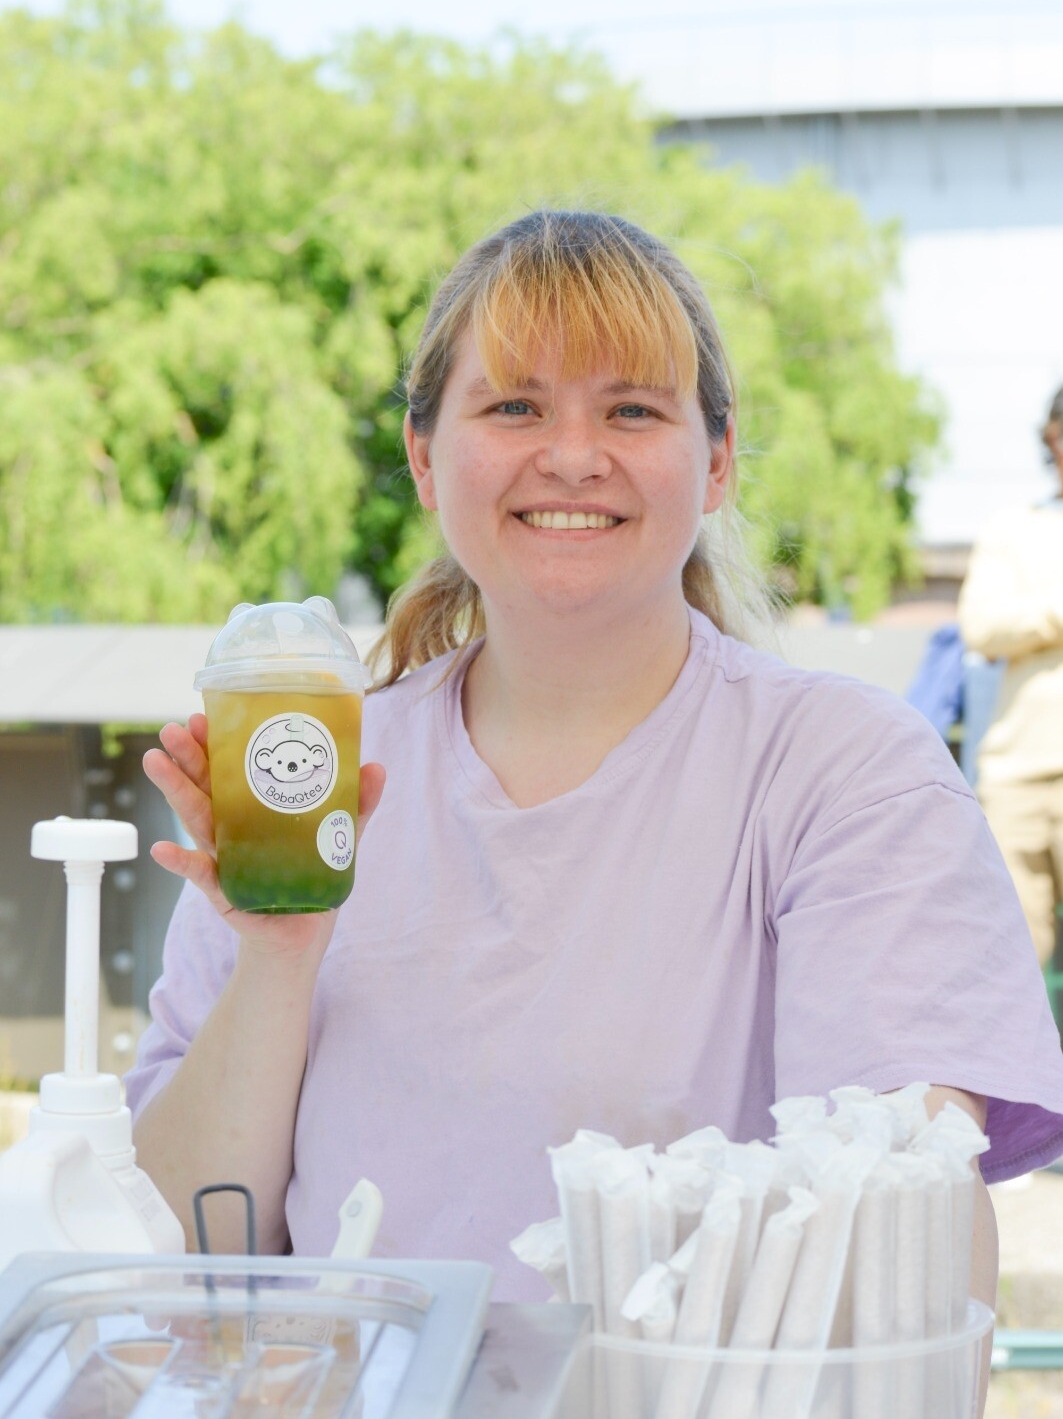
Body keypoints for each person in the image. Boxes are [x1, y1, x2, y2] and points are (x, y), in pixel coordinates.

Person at [129, 212, 1063, 1335]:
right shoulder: (310, 786)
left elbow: (904, 1243)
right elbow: (183, 1251)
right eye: (514, 404)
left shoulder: (846, 777)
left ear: (715, 459)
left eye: (631, 408)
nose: (572, 456)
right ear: (426, 458)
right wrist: (277, 955)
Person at [958, 386, 1063, 978]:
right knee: (1008, 972)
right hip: (1016, 775)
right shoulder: (1011, 528)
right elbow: (983, 626)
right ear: (1052, 440)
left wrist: (1035, 618)